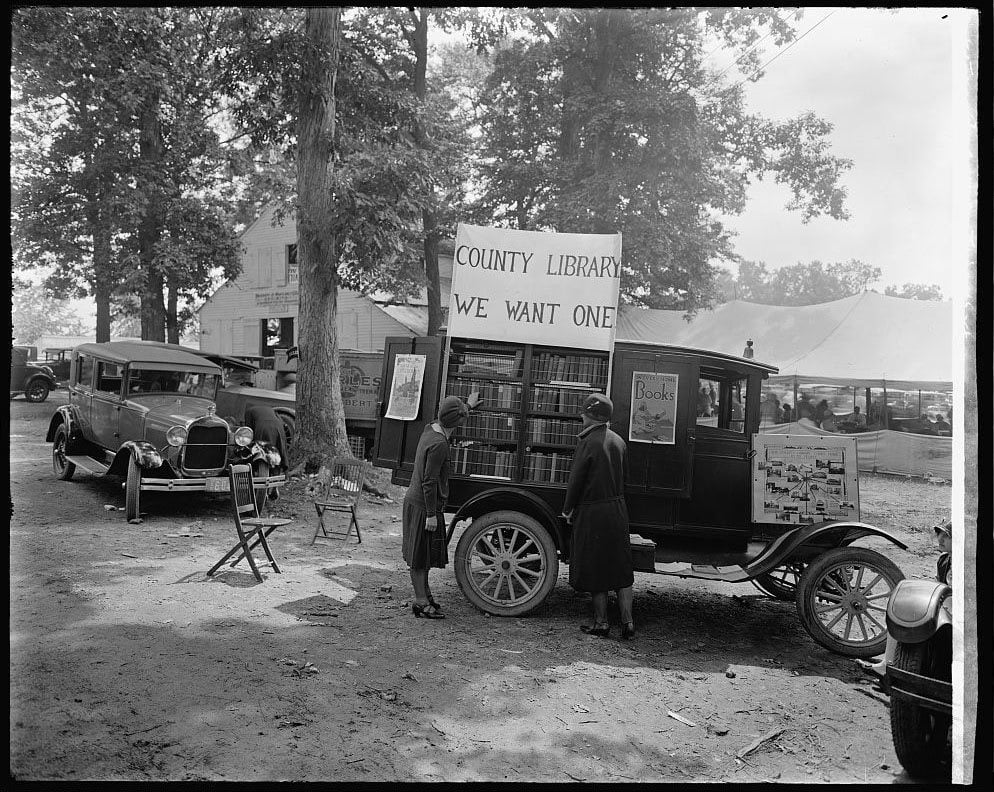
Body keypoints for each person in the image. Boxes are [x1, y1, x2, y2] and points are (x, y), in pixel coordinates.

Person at [562, 393, 636, 640]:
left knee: (597, 568)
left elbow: (576, 480)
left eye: (584, 412)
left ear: (592, 416)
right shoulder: (619, 442)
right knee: (622, 569)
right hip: (617, 509)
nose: (581, 416)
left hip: (593, 511)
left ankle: (601, 623)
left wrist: (568, 508)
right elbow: (625, 480)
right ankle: (628, 623)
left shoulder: (587, 442)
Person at [402, 392, 480, 619]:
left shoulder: (431, 429)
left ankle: (425, 595)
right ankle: (419, 601)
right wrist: (430, 514)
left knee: (423, 554)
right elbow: (429, 481)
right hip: (424, 506)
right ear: (457, 423)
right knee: (419, 556)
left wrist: (468, 406)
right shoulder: (439, 445)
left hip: (416, 502)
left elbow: (450, 415)